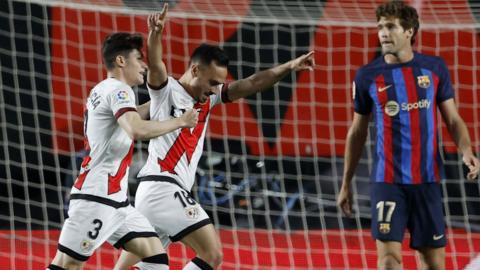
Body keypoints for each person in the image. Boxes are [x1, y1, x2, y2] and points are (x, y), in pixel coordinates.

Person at [116, 4, 315, 270]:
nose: (213, 90)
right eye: (211, 83)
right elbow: (155, 64)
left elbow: (253, 83)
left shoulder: (209, 100)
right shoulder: (166, 91)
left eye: (218, 84)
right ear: (195, 70)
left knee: (149, 265)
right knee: (213, 255)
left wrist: (290, 66)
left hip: (159, 193)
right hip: (162, 189)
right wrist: (155, 35)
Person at [336, 1, 480, 270]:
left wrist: (467, 150)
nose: (382, 33)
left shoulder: (434, 69)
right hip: (387, 182)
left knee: (433, 263)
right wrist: (346, 182)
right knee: (389, 260)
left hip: (427, 180)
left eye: (390, 26)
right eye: (380, 27)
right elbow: (357, 132)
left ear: (409, 31)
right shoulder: (367, 76)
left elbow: (453, 119)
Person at [48, 30, 199, 270]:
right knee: (67, 265)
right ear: (121, 61)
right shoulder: (119, 89)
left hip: (117, 202)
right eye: (138, 58)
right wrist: (180, 122)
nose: (143, 66)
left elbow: (129, 117)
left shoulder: (104, 89)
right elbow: (135, 129)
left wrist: (162, 100)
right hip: (96, 197)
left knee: (155, 258)